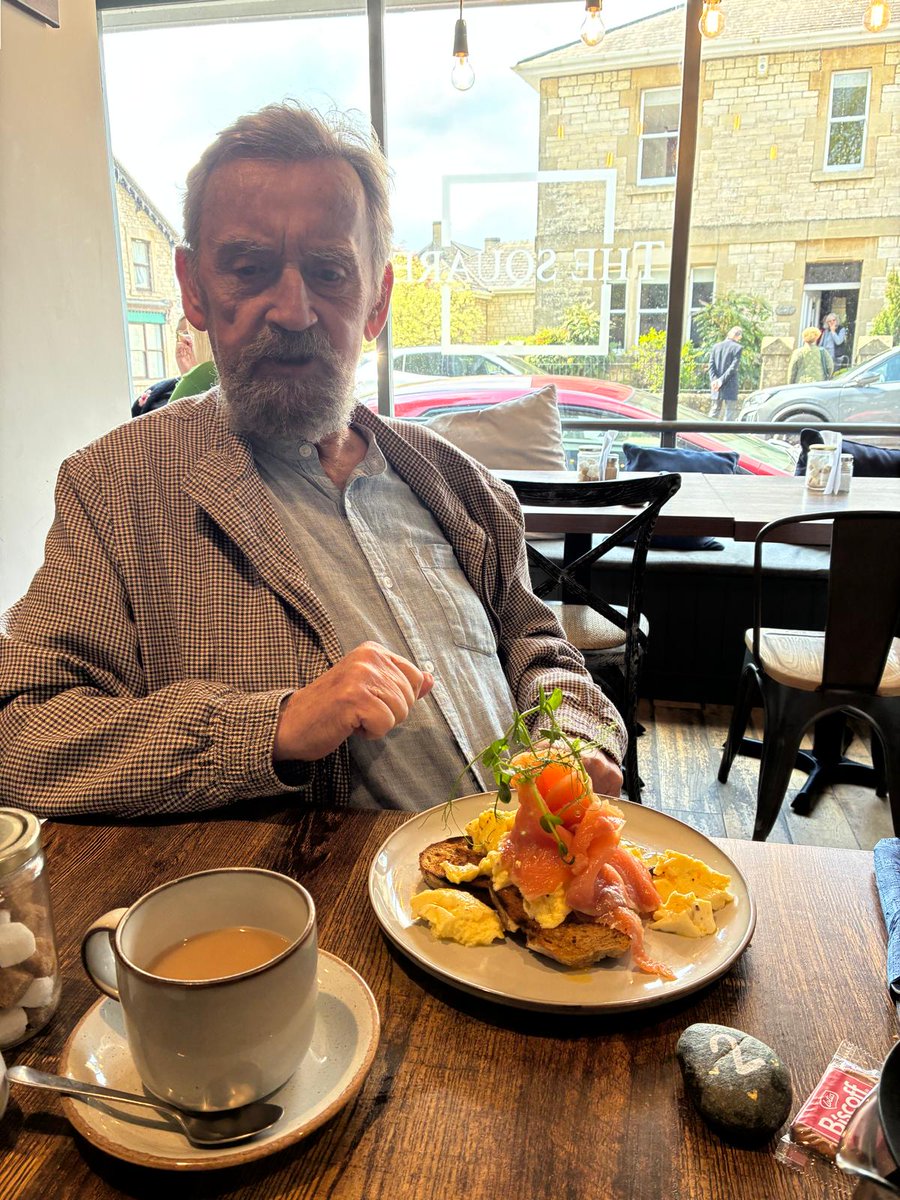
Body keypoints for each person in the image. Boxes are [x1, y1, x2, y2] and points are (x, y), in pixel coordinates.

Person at [0, 102, 626, 820]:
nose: (293, 310)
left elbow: (538, 648)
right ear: (193, 287)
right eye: (249, 268)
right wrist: (273, 728)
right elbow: (19, 737)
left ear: (377, 301)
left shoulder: (460, 484)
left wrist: (571, 739)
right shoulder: (115, 490)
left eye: (330, 272)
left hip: (525, 867)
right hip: (315, 888)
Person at [131, 316, 217, 417]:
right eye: (178, 335)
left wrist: (192, 376)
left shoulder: (219, 389)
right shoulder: (160, 392)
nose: (181, 342)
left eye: (188, 334)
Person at [707, 326, 743, 420]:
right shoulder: (738, 348)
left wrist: (714, 380)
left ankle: (707, 428)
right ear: (739, 336)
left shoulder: (716, 346)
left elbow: (711, 365)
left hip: (716, 386)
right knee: (729, 413)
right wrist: (720, 381)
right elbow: (733, 368)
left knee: (714, 411)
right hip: (730, 384)